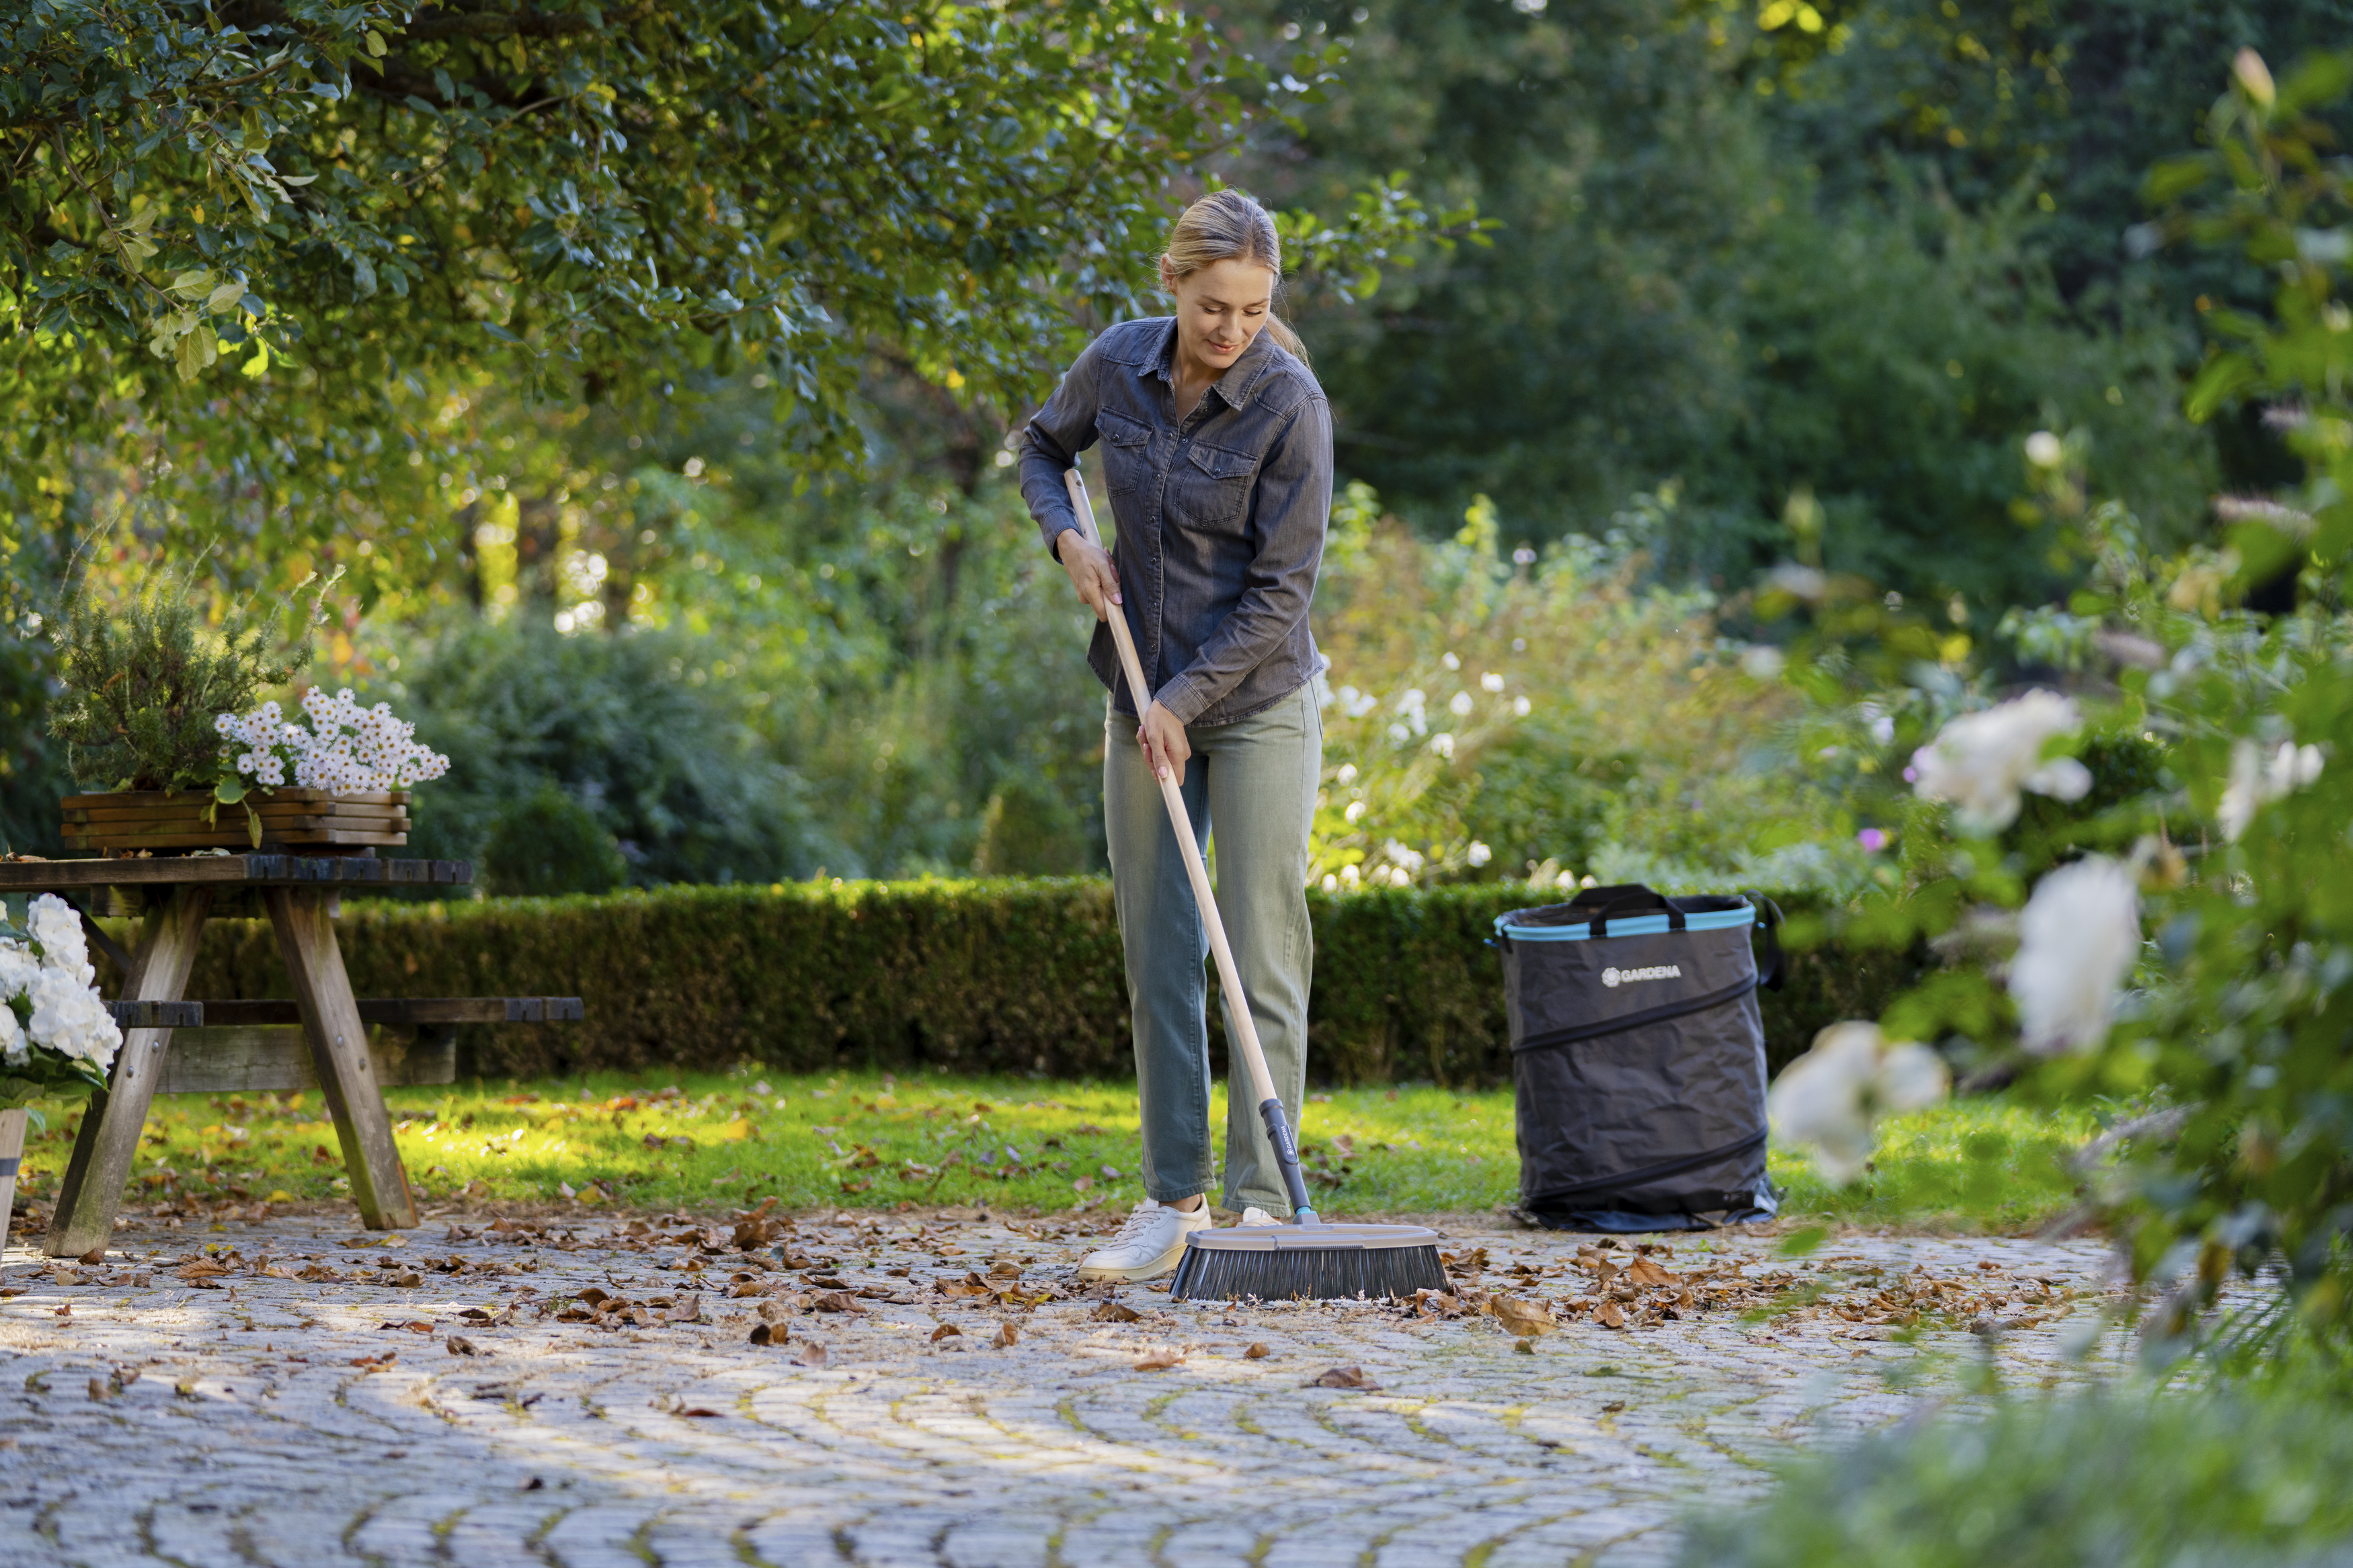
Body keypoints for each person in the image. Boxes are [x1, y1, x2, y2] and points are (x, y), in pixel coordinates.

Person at [1016, 189, 1334, 1282]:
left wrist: (1183, 703)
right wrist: (1067, 538)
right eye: (1212, 307)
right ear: (1173, 285)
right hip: (1137, 692)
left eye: (1252, 310)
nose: (1231, 330)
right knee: (1159, 955)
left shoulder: (1290, 407)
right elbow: (1040, 448)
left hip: (1254, 708)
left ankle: (1258, 1210)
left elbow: (1282, 593)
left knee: (1260, 951)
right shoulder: (1116, 366)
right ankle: (1174, 1205)